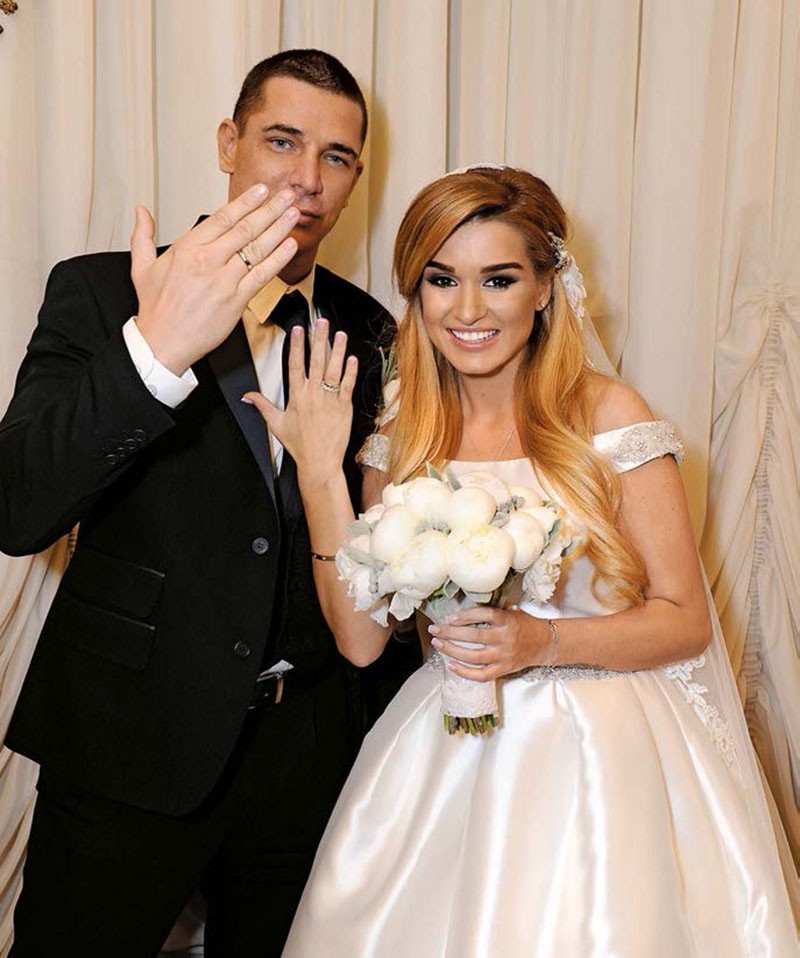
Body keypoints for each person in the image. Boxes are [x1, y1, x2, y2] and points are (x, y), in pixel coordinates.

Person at [243, 166, 799, 956]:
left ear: (544, 287)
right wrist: (321, 471)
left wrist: (542, 642)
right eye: (442, 279)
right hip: (443, 755)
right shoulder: (402, 439)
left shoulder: (608, 415)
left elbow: (685, 620)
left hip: (601, 759)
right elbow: (361, 643)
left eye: (498, 279)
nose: (467, 309)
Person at [0, 49, 411, 957]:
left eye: (337, 157)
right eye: (281, 141)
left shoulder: (374, 330)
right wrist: (155, 351)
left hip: (308, 756)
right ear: (228, 144)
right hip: (128, 740)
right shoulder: (101, 289)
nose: (307, 180)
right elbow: (19, 506)